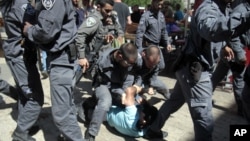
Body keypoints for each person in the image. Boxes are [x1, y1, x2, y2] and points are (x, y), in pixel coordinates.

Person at [144, 0, 250, 140]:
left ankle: (153, 129)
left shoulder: (222, 8)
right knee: (204, 119)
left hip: (188, 68)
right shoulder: (208, 8)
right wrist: (244, 12)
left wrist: (224, 46)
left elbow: (217, 33)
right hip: (195, 70)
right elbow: (211, 30)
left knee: (173, 102)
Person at [23, 0, 84, 140]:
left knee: (61, 115)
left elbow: (45, 32)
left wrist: (29, 30)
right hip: (63, 57)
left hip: (61, 59)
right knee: (66, 110)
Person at [0, 0, 44, 140]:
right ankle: (20, 133)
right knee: (35, 97)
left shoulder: (9, 4)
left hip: (15, 54)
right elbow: (36, 28)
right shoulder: (20, 4)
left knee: (24, 93)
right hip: (20, 56)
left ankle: (26, 125)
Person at [83, 43, 138, 141]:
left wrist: (125, 94)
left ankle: (149, 129)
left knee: (136, 101)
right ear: (120, 56)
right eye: (128, 64)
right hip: (103, 84)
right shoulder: (103, 60)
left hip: (118, 86)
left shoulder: (130, 60)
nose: (130, 66)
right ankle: (91, 132)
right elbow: (98, 80)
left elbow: (129, 78)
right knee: (105, 102)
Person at [75, 0, 124, 77]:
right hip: (94, 54)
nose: (109, 13)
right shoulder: (94, 19)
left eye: (111, 10)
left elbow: (120, 32)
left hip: (107, 53)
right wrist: (82, 56)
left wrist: (115, 38)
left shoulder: (112, 17)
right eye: (107, 11)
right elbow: (80, 34)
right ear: (98, 7)